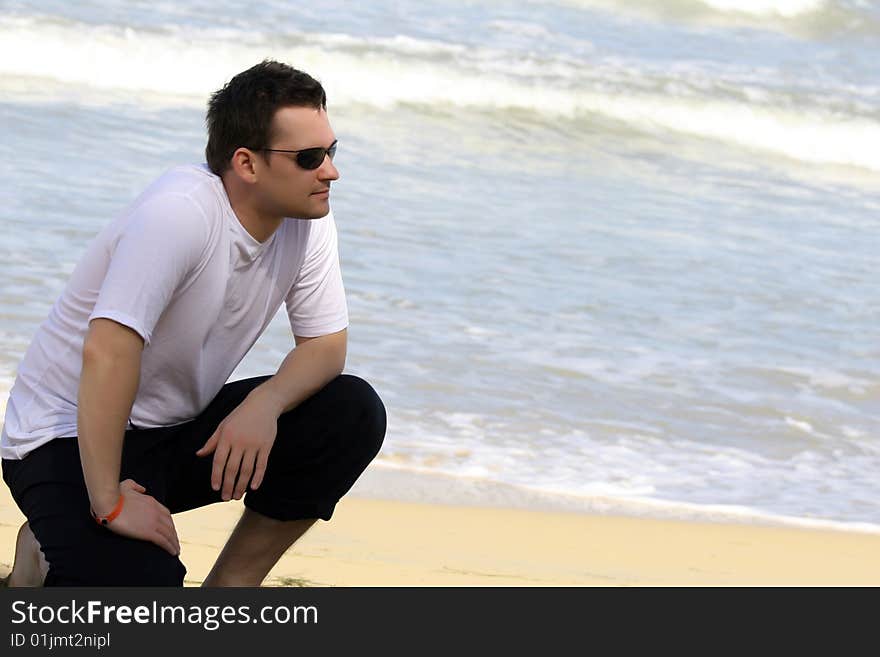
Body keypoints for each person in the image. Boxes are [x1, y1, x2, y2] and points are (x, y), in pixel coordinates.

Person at [0, 60, 386, 587]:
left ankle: (229, 590)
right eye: (309, 157)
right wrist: (108, 502)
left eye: (331, 151)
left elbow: (325, 345)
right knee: (143, 597)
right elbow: (107, 354)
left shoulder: (308, 218)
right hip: (65, 437)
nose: (331, 171)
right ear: (246, 164)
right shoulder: (180, 212)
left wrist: (265, 404)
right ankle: (45, 546)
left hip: (171, 433)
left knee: (350, 411)